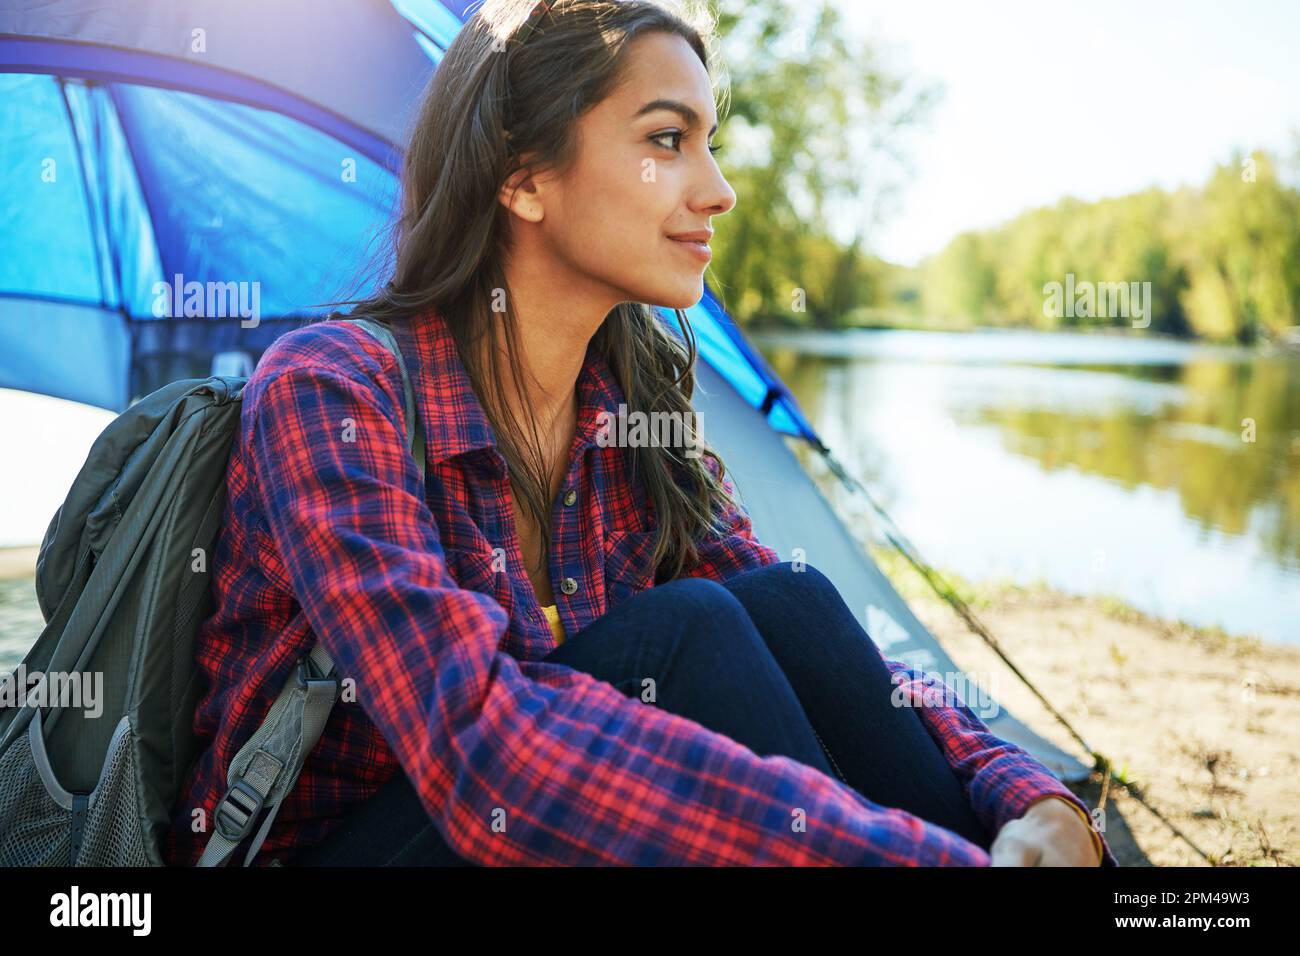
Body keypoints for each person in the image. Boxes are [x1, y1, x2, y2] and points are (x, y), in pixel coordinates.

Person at [164, 0, 1114, 867]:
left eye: (711, 142)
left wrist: (1028, 799)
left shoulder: (630, 410)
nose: (720, 191)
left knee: (786, 597)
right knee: (681, 637)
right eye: (669, 139)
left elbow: (819, 649)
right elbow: (481, 752)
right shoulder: (334, 391)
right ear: (523, 175)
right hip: (337, 852)